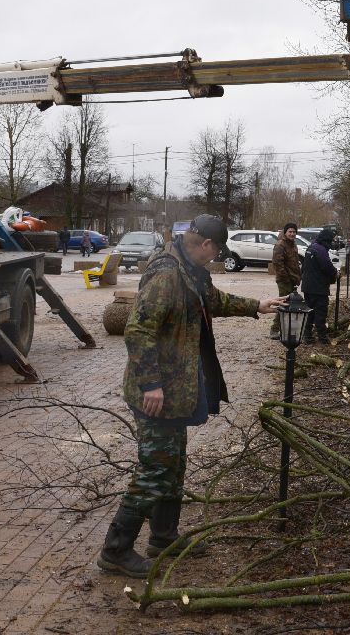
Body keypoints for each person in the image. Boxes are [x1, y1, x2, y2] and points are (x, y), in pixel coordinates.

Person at [95, 214, 287, 577]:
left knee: (174, 464)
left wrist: (255, 306)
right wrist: (151, 383)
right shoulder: (167, 273)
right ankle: (115, 550)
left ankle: (163, 537)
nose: (215, 258)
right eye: (216, 252)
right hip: (156, 392)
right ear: (206, 245)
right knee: (154, 470)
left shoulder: (191, 271)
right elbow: (137, 330)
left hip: (177, 391)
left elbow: (211, 301)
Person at [300, 226, 338, 344]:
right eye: (331, 240)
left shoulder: (311, 247)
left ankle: (308, 336)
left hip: (308, 286)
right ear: (327, 239)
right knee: (320, 313)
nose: (332, 243)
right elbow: (326, 267)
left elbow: (305, 268)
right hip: (318, 287)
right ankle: (322, 338)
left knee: (309, 312)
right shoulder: (321, 250)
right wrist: (335, 273)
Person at [268, 223, 302, 340]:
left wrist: (297, 277)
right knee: (284, 303)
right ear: (285, 232)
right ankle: (274, 329)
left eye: (294, 232)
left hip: (292, 280)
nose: (292, 234)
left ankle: (287, 328)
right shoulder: (280, 245)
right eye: (290, 232)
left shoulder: (293, 244)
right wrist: (287, 279)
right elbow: (278, 264)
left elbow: (295, 263)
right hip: (284, 281)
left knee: (291, 304)